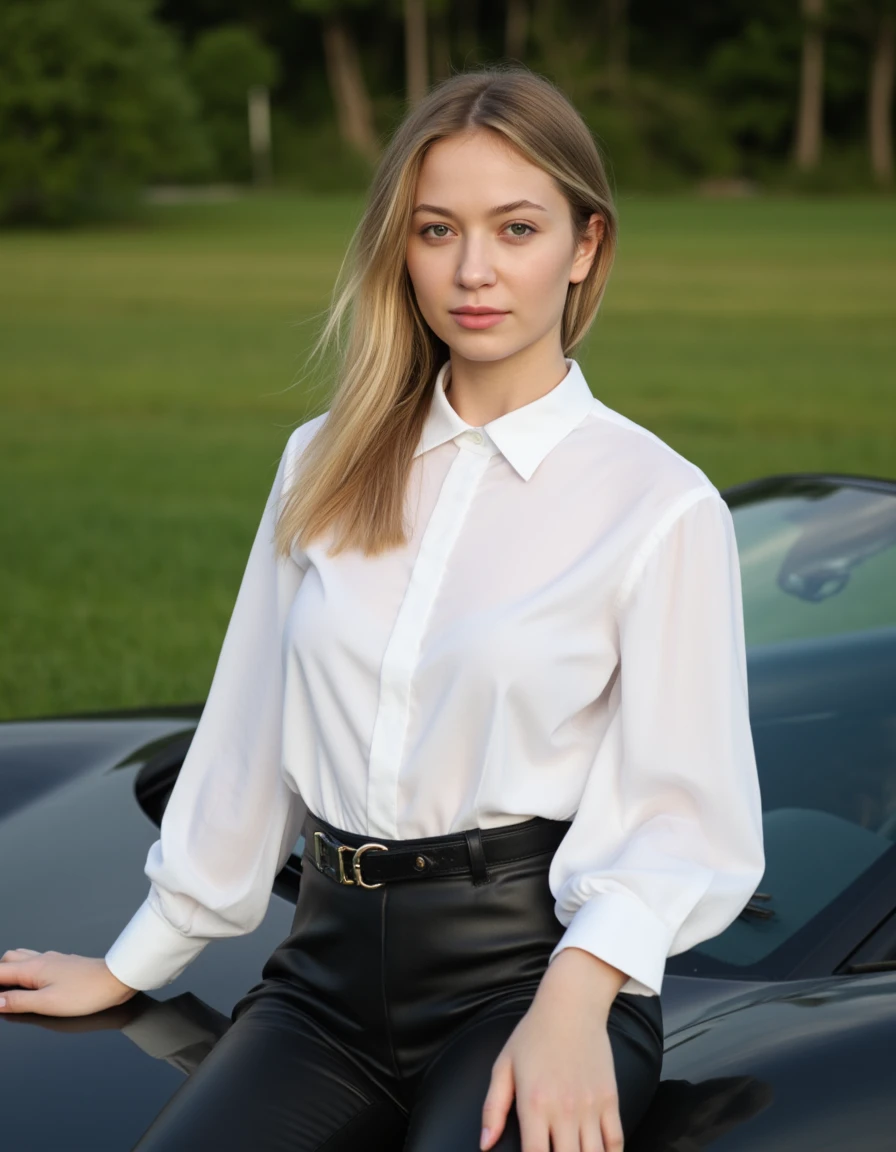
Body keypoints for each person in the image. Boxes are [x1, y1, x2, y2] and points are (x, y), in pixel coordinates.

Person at [0, 65, 765, 1152]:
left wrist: (573, 1001)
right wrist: (133, 962)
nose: (473, 270)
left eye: (515, 228)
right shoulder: (321, 458)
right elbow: (245, 736)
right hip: (323, 974)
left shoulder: (655, 502)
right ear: (397, 249)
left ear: (583, 246)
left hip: (523, 979)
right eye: (435, 230)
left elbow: (684, 814)